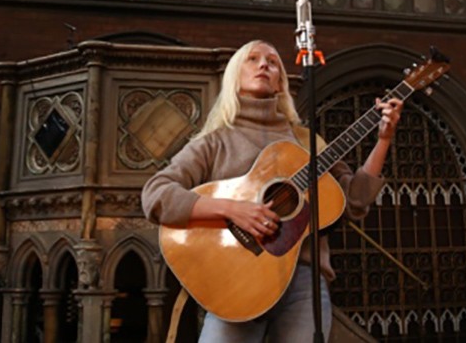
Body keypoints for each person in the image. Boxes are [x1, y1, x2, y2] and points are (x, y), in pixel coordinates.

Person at [142, 39, 403, 342]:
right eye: (252, 59)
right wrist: (232, 209)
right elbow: (156, 194)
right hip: (234, 281)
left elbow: (355, 200)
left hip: (305, 282)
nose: (264, 64)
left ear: (280, 81)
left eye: (273, 61)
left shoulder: (308, 143)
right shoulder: (214, 142)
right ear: (234, 76)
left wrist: (384, 139)